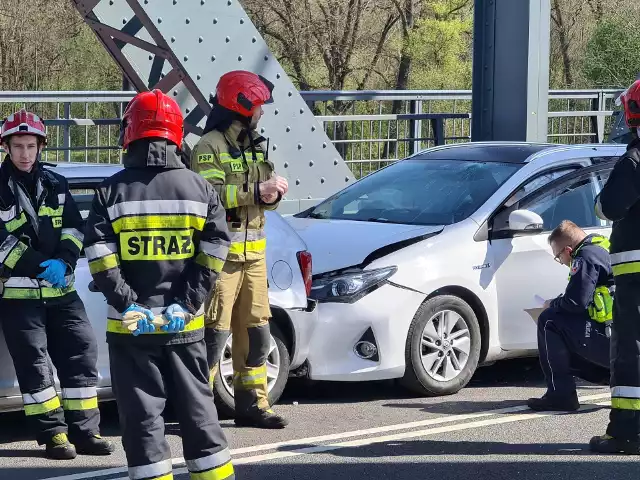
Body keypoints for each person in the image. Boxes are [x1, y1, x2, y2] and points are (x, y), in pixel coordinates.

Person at [83, 89, 235, 479]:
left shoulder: (110, 191)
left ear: (129, 132)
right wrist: (185, 303)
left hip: (131, 328)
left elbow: (100, 255)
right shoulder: (202, 190)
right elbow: (215, 251)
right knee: (199, 412)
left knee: (142, 418)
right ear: (175, 133)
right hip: (184, 325)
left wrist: (128, 303)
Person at [0, 109, 114, 460]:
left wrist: (64, 260)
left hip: (62, 292)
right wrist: (38, 266)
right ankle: (53, 436)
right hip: (19, 295)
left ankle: (86, 431)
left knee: (81, 353)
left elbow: (74, 228)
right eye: (18, 145)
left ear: (40, 147)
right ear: (6, 147)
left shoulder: (56, 183)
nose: (24, 153)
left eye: (30, 146)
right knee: (35, 367)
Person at [191, 70, 289, 429]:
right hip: (223, 258)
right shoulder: (208, 147)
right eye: (259, 106)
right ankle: (198, 409)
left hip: (255, 257)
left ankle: (254, 405)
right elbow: (210, 197)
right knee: (214, 335)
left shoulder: (256, 144)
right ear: (242, 106)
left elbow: (261, 200)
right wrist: (256, 192)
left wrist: (273, 194)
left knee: (258, 332)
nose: (262, 112)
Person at [592, 78, 640, 454]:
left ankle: (626, 432)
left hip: (635, 276)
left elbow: (608, 207)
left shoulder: (635, 159)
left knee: (631, 352)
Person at [526, 220, 612, 412]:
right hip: (623, 337)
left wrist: (552, 303)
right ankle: (610, 373)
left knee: (549, 320)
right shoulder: (603, 247)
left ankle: (560, 395)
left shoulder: (585, 256)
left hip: (610, 339)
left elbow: (575, 303)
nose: (562, 262)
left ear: (567, 250)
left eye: (558, 257)